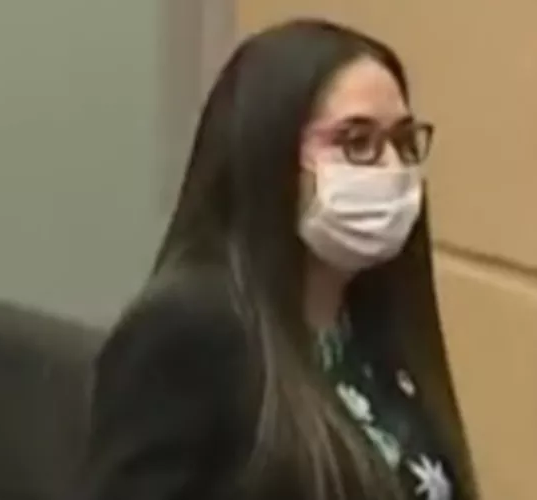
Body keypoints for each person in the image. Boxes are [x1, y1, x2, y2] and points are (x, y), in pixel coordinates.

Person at [74, 18, 477, 500]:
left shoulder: (373, 321)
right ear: (269, 152)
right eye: (356, 142)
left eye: (404, 141)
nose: (392, 168)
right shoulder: (190, 329)